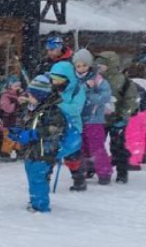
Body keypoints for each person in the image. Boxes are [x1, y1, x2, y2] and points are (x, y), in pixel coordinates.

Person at [10, 75, 67, 213]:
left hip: (44, 151)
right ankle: (35, 200)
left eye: (32, 95)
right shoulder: (29, 108)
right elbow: (23, 121)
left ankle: (41, 206)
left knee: (38, 178)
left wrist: (33, 134)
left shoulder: (52, 110)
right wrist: (17, 131)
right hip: (30, 151)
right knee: (32, 176)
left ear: (42, 96)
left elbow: (55, 128)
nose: (28, 97)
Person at [95, 51, 140, 184]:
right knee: (96, 145)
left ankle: (122, 172)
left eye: (102, 66)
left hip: (118, 119)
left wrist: (124, 116)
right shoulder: (95, 79)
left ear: (111, 65)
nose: (99, 68)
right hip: (99, 119)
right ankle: (94, 168)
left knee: (119, 147)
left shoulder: (123, 81)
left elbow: (130, 100)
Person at [73, 49, 113, 185]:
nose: (81, 68)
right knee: (81, 146)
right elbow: (73, 94)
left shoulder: (97, 78)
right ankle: (86, 169)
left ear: (89, 64)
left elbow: (106, 96)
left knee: (96, 146)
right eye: (78, 66)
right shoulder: (74, 79)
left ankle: (104, 172)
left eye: (84, 65)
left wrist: (90, 97)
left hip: (94, 119)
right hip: (78, 118)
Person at [49, 61, 87, 191]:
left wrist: (58, 104)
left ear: (68, 78)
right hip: (54, 126)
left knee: (73, 155)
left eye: (59, 79)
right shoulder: (52, 88)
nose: (56, 82)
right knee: (49, 153)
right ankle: (44, 178)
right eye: (53, 79)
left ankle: (79, 179)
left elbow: (76, 109)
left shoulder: (77, 89)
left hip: (72, 127)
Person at [0, 75, 24, 162]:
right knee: (8, 138)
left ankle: (20, 152)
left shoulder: (20, 95)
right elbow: (7, 108)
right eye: (15, 86)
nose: (17, 88)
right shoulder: (6, 96)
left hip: (19, 121)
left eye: (19, 86)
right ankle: (5, 154)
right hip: (8, 121)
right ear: (10, 86)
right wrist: (17, 103)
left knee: (19, 137)